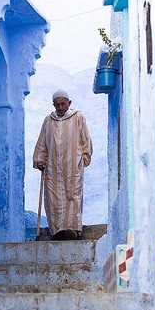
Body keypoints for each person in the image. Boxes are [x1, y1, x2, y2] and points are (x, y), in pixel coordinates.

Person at [33, 89, 93, 240]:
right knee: (53, 196)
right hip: (53, 166)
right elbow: (42, 142)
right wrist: (40, 159)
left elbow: (86, 140)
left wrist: (84, 158)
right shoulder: (48, 120)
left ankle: (73, 229)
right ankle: (58, 230)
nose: (60, 107)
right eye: (57, 105)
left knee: (72, 194)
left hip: (72, 165)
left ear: (69, 103)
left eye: (63, 104)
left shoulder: (78, 117)